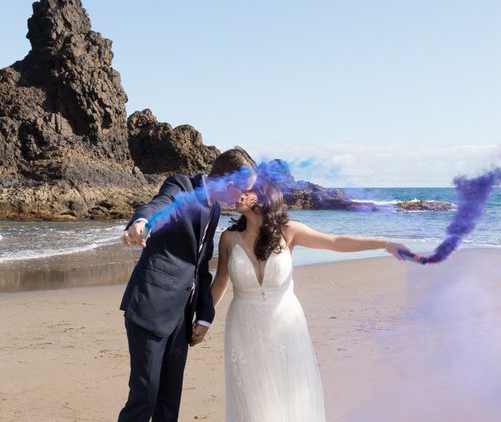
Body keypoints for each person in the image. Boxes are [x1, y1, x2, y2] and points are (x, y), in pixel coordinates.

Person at [211, 176, 409, 421]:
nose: (239, 194)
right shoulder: (229, 238)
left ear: (265, 196)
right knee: (252, 400)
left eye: (248, 191)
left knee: (290, 396)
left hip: (285, 326)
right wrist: (202, 321)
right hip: (244, 327)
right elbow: (220, 280)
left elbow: (335, 242)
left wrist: (385, 244)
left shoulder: (289, 231)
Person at [118, 147, 257, 422]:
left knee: (169, 405)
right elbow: (160, 204)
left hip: (181, 318)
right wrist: (142, 222)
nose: (244, 197)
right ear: (229, 185)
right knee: (144, 398)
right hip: (151, 309)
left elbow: (200, 266)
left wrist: (204, 315)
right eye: (244, 190)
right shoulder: (181, 186)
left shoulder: (215, 208)